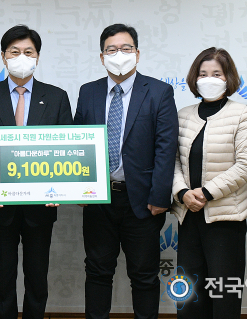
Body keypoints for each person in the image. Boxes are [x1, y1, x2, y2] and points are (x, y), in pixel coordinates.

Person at [0, 25, 73, 319]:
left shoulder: (57, 97)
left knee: (37, 277)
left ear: (37, 57)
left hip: (42, 204)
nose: (21, 58)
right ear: (3, 56)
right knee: (2, 278)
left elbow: (66, 147)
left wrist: (60, 186)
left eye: (28, 52)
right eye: (14, 52)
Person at [73, 23, 178, 319]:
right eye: (111, 49)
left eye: (126, 48)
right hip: (99, 199)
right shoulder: (88, 92)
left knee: (144, 275)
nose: (119, 54)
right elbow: (78, 144)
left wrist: (160, 196)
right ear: (102, 57)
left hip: (143, 202)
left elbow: (166, 147)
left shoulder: (159, 91)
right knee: (97, 272)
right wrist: (79, 189)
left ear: (137, 54)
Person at [170, 48, 247, 319]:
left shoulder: (241, 114)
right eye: (203, 73)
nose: (209, 79)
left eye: (217, 74)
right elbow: (172, 162)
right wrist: (182, 193)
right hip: (189, 216)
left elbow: (246, 165)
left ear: (228, 77)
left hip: (225, 218)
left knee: (224, 295)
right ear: (194, 78)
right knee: (189, 296)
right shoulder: (183, 115)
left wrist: (206, 193)